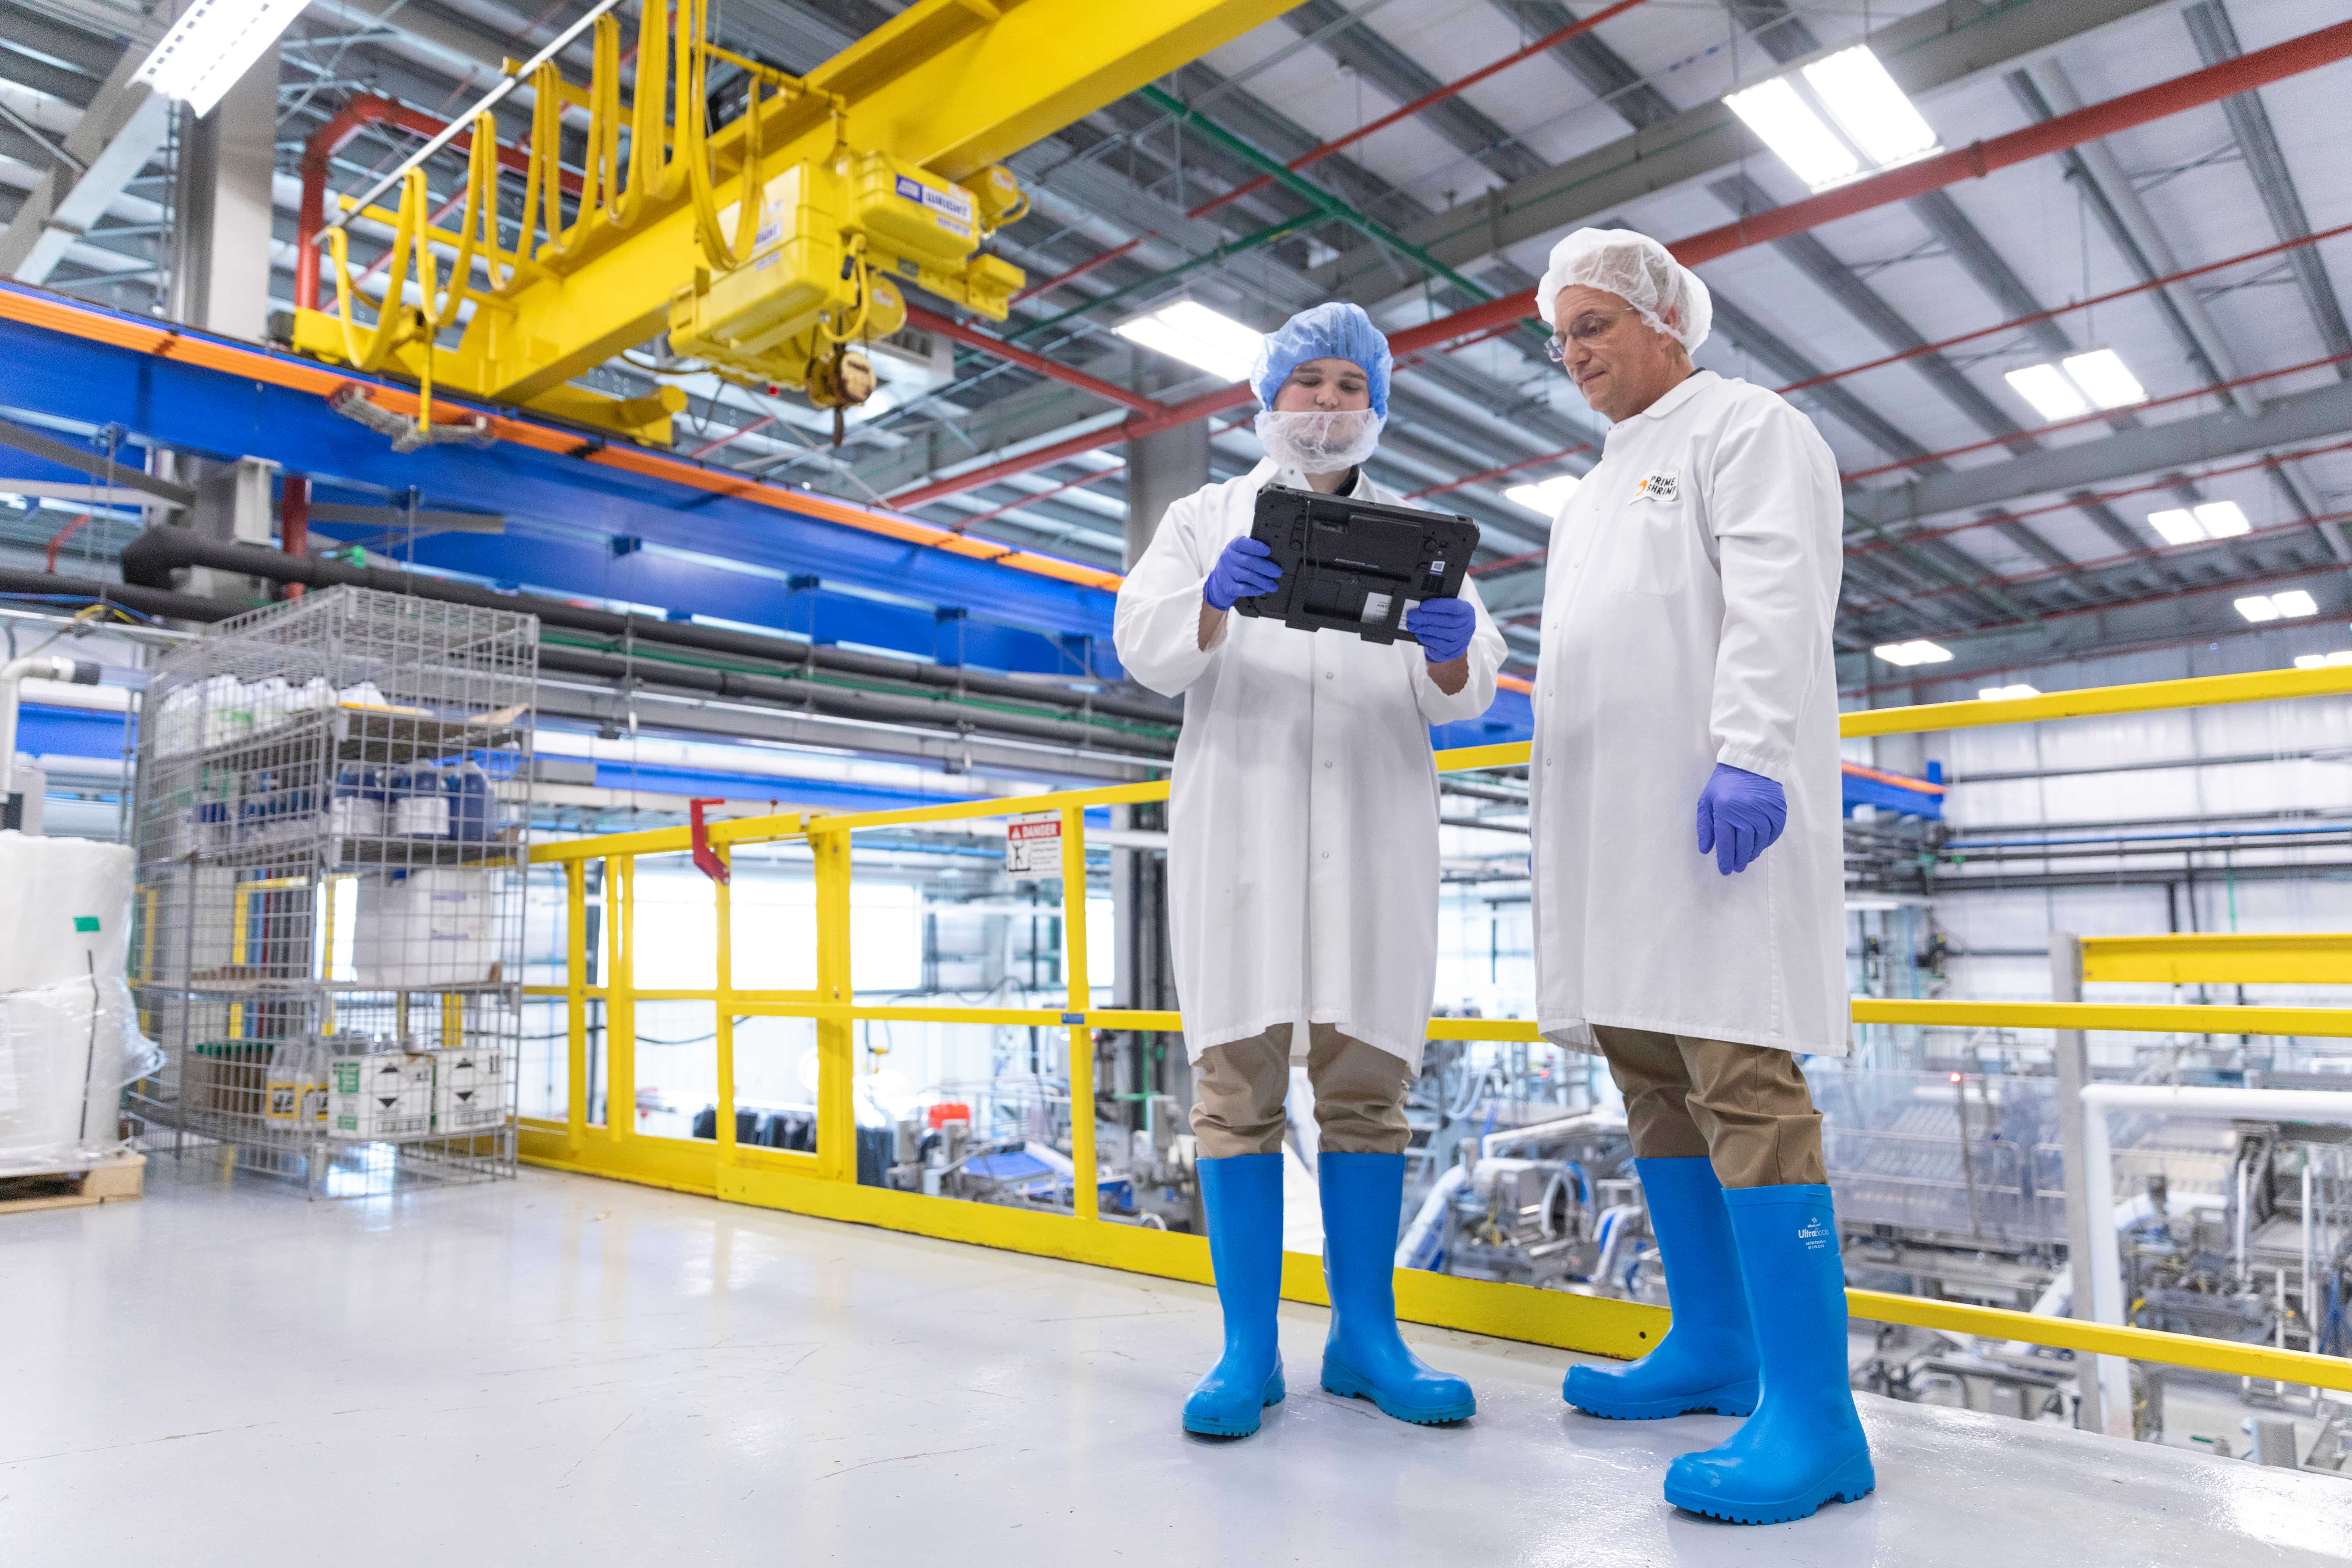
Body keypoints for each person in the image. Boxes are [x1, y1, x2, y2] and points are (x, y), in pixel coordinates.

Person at [1522, 229, 1870, 1524]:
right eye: (1561, 336)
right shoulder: (1591, 492)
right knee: (1651, 1071)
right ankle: (1717, 1347)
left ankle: (1819, 1423)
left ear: (1667, 320)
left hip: (1717, 818)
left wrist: (1754, 755)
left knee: (1742, 1077)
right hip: (1614, 837)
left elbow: (1779, 601)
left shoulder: (1748, 429)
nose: (1574, 354)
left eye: (1595, 326)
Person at [1114, 301, 1505, 1439]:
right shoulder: (1202, 520)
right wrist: (1210, 598)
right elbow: (1144, 650)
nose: (1328, 404)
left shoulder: (1422, 537)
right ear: (1268, 395)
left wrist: (1451, 651)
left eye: (1350, 386)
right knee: (1236, 1095)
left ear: (1377, 404)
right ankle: (1248, 1351)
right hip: (1245, 833)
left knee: (1367, 1095)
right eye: (1310, 382)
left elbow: (1470, 684)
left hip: (1375, 836)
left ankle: (1366, 1340)